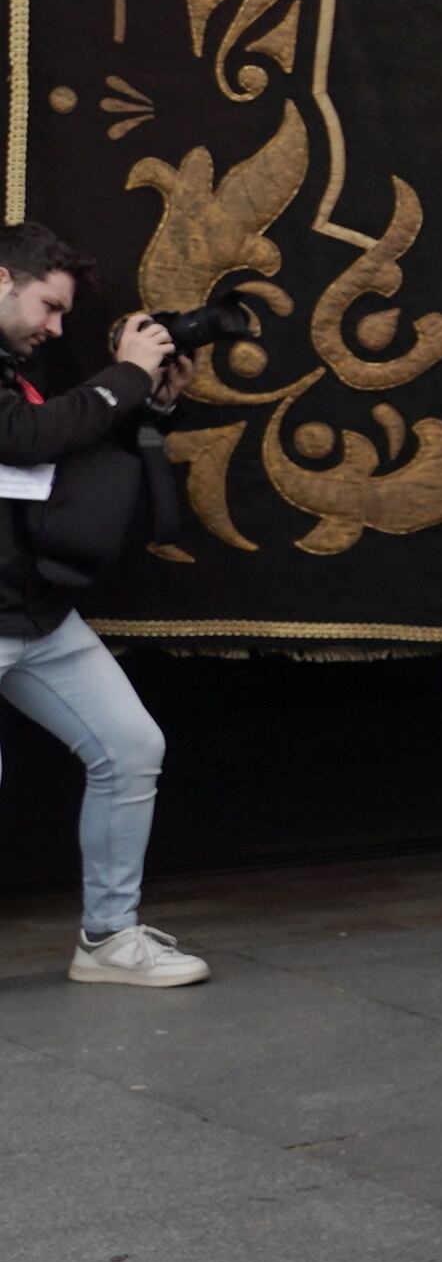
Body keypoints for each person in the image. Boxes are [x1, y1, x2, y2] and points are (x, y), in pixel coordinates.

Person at [0, 227, 198, 984]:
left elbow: (72, 449)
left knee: (130, 748)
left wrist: (155, 403)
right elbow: (22, 438)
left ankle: (109, 939)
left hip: (37, 614)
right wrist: (122, 374)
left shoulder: (25, 365)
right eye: (48, 307)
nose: (55, 328)